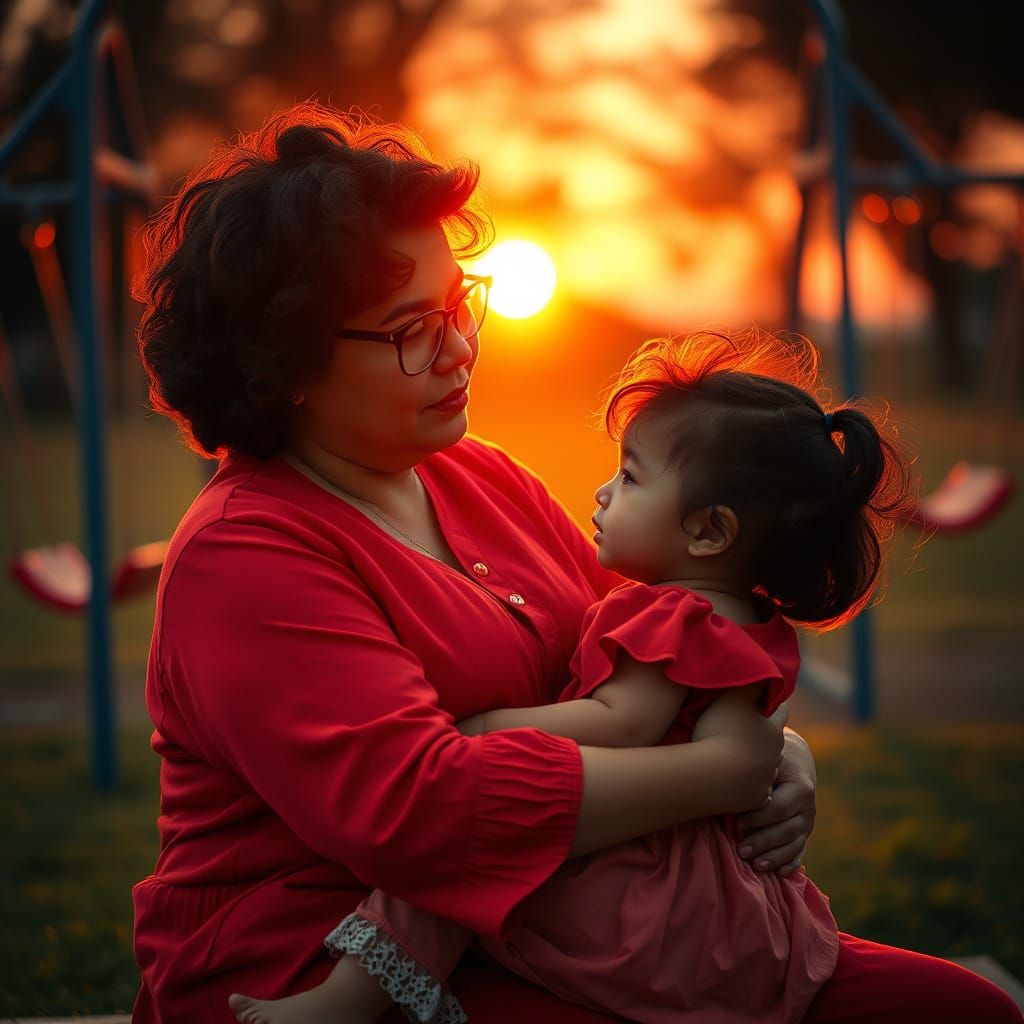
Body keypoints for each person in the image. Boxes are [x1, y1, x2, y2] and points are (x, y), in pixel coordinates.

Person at [130, 103, 1020, 1024]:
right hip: (309, 971)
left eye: (457, 304)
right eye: (411, 331)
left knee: (963, 1012)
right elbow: (421, 815)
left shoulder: (480, 477)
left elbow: (660, 657)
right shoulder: (245, 552)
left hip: (576, 919)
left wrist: (777, 751)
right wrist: (723, 774)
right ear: (286, 365)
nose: (463, 347)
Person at [219, 328, 1005, 1024]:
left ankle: (344, 1003)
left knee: (464, 866)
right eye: (413, 326)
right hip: (730, 915)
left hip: (640, 895)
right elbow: (721, 743)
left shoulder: (660, 613)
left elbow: (624, 719)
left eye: (628, 478)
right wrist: (758, 758)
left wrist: (488, 731)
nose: (601, 492)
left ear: (708, 530)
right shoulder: (746, 616)